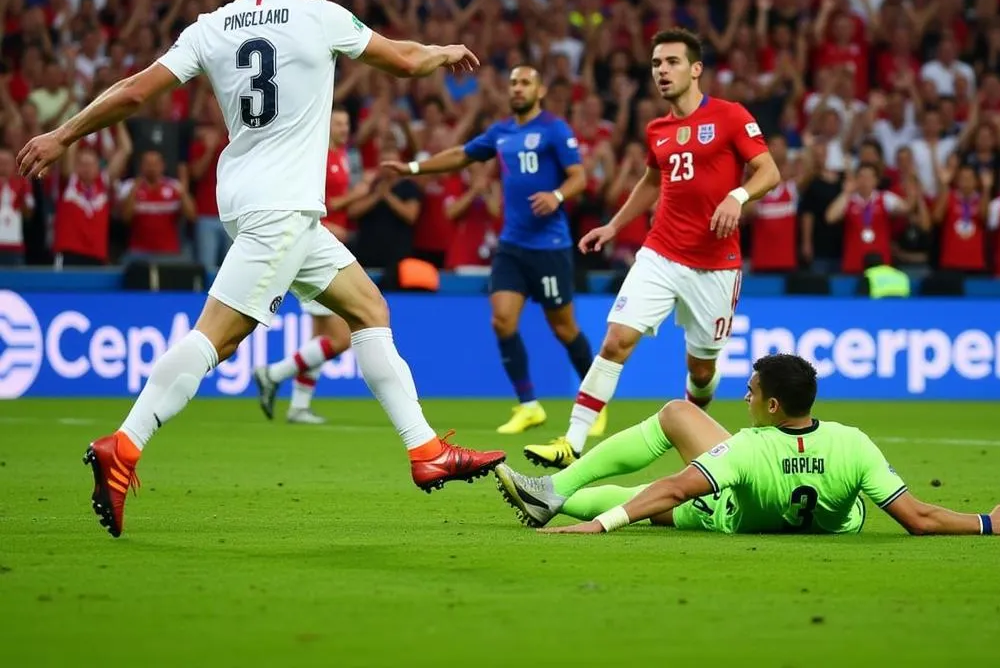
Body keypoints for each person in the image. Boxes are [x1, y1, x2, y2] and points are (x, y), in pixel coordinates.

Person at [17, 0, 505, 539]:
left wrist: (62, 134)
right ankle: (124, 445)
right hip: (283, 209)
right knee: (216, 340)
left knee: (368, 308)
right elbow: (406, 63)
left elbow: (137, 91)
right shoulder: (318, 15)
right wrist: (441, 51)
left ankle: (425, 450)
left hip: (259, 202)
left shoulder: (211, 27)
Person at [523, 28, 780, 469]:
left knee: (701, 370)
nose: (662, 71)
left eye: (673, 62)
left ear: (696, 69)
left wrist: (736, 198)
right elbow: (652, 180)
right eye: (657, 63)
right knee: (616, 341)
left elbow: (768, 171)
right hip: (660, 252)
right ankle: (573, 440)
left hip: (716, 265)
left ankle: (693, 426)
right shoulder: (657, 129)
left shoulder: (731, 116)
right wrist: (614, 225)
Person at [495, 353, 1000, 538]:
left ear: (773, 406)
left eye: (751, 391)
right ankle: (551, 496)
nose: (744, 397)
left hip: (725, 513)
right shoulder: (853, 444)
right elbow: (919, 519)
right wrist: (986, 522)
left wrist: (599, 525)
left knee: (678, 416)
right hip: (819, 522)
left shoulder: (747, 448)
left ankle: (555, 493)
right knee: (664, 471)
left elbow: (674, 489)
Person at [382, 65, 595, 436]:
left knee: (564, 328)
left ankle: (595, 402)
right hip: (512, 245)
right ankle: (529, 405)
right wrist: (413, 167)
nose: (517, 88)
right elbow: (461, 155)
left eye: (525, 82)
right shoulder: (501, 133)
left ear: (539, 90)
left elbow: (579, 176)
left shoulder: (554, 129)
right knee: (502, 320)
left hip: (550, 246)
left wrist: (557, 195)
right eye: (512, 82)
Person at [253, 109, 362, 425]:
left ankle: (299, 405)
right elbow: (311, 201)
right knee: (341, 338)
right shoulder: (314, 157)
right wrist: (334, 219)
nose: (343, 128)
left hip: (327, 247)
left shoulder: (340, 156)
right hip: (314, 249)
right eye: (338, 123)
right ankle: (272, 374)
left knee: (321, 336)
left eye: (346, 123)